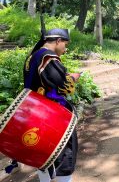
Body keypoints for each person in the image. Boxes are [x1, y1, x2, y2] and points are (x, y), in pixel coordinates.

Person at [23, 28, 81, 182]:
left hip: (35, 110)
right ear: (58, 41)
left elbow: (46, 81)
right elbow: (64, 87)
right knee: (63, 150)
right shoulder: (48, 57)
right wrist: (73, 78)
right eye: (65, 44)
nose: (65, 48)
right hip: (51, 113)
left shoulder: (33, 56)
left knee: (44, 152)